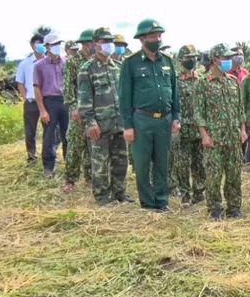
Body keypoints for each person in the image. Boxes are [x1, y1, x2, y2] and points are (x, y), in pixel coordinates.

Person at [119, 19, 181, 212]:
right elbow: (124, 97)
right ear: (143, 39)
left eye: (160, 35)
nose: (158, 39)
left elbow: (175, 92)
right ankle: (148, 203)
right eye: (154, 36)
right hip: (141, 121)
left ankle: (162, 201)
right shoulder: (131, 64)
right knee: (143, 164)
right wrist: (128, 125)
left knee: (162, 163)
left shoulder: (167, 62)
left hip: (164, 119)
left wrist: (176, 116)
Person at [77, 28, 132, 204]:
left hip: (119, 122)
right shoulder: (87, 69)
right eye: (103, 41)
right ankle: (102, 196)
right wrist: (90, 122)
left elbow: (124, 95)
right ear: (95, 44)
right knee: (100, 163)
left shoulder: (117, 68)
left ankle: (120, 192)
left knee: (121, 161)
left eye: (110, 41)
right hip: (100, 125)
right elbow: (84, 100)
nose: (108, 45)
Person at [196, 44, 246, 220]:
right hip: (214, 138)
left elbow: (240, 110)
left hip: (233, 136)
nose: (229, 61)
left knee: (234, 174)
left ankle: (234, 207)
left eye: (229, 57)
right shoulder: (203, 83)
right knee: (214, 176)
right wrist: (204, 135)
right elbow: (199, 112)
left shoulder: (233, 82)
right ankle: (215, 209)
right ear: (216, 60)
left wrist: (243, 130)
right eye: (225, 58)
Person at [169, 45, 206, 206]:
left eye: (194, 57)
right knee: (182, 164)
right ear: (181, 59)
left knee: (200, 163)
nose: (192, 60)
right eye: (188, 57)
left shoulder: (202, 80)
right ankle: (185, 193)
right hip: (182, 128)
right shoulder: (175, 80)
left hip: (199, 128)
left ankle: (199, 192)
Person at [62, 28, 95, 192]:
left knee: (92, 144)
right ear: (84, 44)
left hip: (95, 111)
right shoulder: (73, 62)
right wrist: (74, 108)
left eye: (95, 42)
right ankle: (70, 179)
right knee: (75, 145)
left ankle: (90, 178)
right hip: (79, 111)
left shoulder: (97, 61)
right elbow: (68, 88)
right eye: (91, 42)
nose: (94, 45)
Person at [33, 33, 69, 179]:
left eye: (59, 44)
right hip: (50, 102)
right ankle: (48, 167)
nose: (58, 47)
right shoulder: (39, 66)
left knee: (68, 134)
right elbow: (37, 88)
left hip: (65, 101)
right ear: (47, 47)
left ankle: (70, 164)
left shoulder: (66, 62)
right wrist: (42, 110)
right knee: (49, 135)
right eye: (55, 45)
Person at [16, 32, 46, 165]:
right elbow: (20, 83)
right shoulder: (25, 63)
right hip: (31, 102)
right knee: (30, 131)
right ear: (32, 45)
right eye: (37, 44)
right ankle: (31, 157)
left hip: (47, 101)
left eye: (42, 43)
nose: (40, 46)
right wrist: (25, 98)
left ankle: (48, 156)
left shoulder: (49, 61)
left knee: (49, 131)